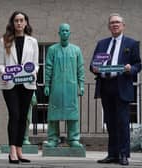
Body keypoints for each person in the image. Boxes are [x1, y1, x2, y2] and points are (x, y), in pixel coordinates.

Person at [90, 13, 141, 165]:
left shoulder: (131, 43)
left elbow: (138, 64)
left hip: (122, 85)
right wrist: (94, 68)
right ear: (109, 26)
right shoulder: (102, 43)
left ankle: (123, 155)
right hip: (106, 85)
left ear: (123, 25)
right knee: (110, 122)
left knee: (123, 122)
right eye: (112, 22)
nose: (115, 25)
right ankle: (112, 154)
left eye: (117, 22)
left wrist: (130, 68)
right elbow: (93, 64)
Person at [0, 11, 39, 164]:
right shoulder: (4, 40)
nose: (19, 23)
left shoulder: (33, 42)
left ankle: (20, 149)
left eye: (22, 20)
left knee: (23, 117)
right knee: (14, 115)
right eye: (16, 20)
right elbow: (1, 64)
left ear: (26, 23)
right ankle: (12, 150)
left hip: (27, 83)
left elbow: (35, 64)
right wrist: (7, 72)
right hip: (10, 84)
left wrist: (33, 71)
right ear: (13, 23)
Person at [44, 23, 85, 148]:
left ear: (70, 33)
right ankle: (53, 138)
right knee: (53, 114)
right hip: (56, 86)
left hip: (71, 86)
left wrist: (81, 85)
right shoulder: (52, 50)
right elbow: (48, 68)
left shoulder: (76, 50)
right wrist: (47, 85)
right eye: (62, 31)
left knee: (72, 113)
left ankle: (73, 139)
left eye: (67, 31)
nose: (65, 33)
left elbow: (80, 68)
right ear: (59, 33)